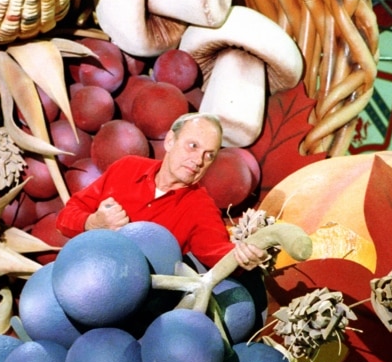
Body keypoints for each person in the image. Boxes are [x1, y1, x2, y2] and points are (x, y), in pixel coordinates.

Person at [56, 113, 266, 272]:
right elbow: (65, 218)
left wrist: (242, 257)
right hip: (83, 271)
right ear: (169, 141)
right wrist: (92, 223)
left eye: (209, 155)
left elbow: (216, 251)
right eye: (192, 146)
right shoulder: (127, 168)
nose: (198, 161)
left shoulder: (201, 207)